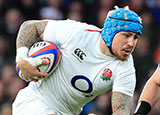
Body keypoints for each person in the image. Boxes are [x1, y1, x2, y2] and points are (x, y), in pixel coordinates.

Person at [12, 6, 143, 115]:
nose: (131, 43)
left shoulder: (126, 68)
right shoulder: (79, 33)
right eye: (126, 35)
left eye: (135, 38)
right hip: (35, 101)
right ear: (111, 32)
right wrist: (22, 59)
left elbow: (122, 111)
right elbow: (30, 27)